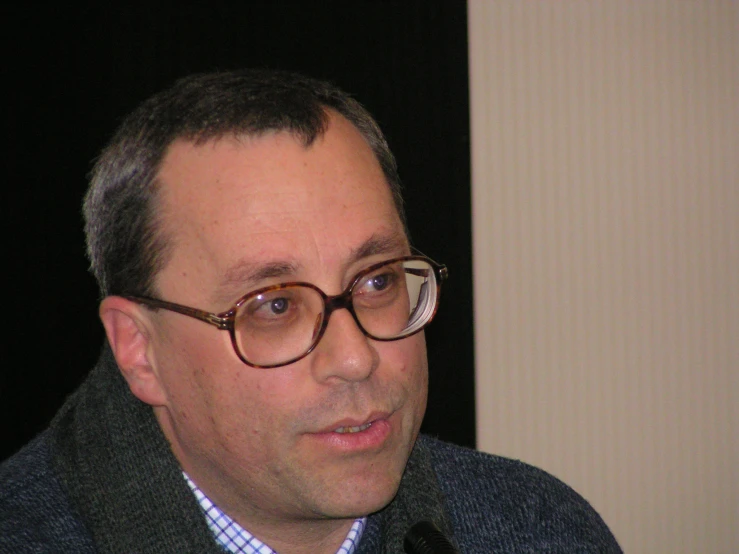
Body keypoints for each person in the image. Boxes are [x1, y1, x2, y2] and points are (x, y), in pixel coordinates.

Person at [0, 70, 621, 554]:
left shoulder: (537, 527)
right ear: (140, 351)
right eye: (274, 305)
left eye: (377, 280)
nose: (356, 358)